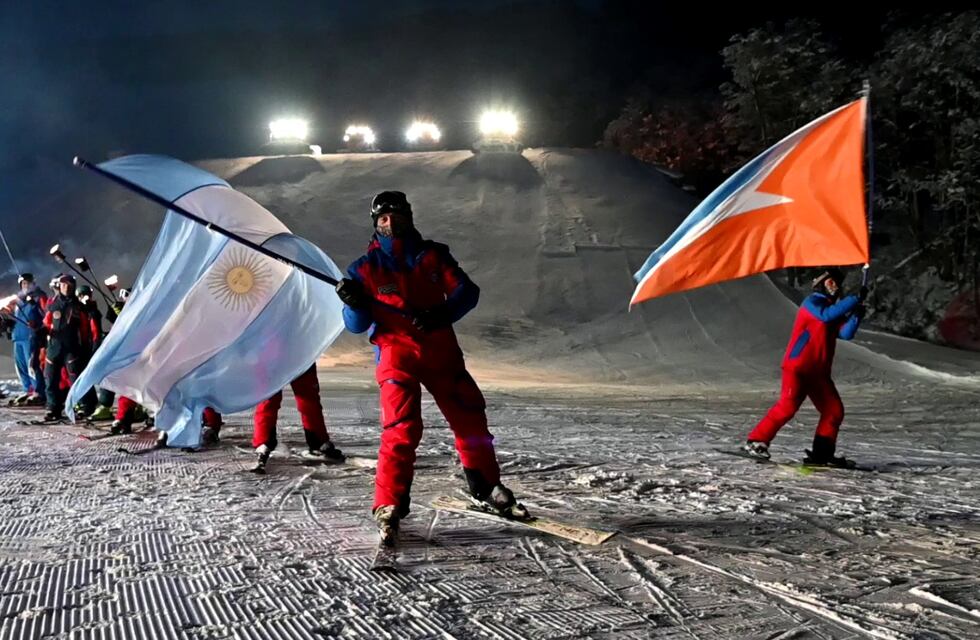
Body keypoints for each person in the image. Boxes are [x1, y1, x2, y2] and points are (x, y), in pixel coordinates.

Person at [337, 190, 525, 547]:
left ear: (408, 216)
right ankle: (389, 502)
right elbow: (356, 325)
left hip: (440, 348)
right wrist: (354, 304)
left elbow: (466, 292)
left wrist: (440, 314)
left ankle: (484, 485)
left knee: (469, 416)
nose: (390, 223)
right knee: (401, 427)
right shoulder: (364, 269)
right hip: (396, 353)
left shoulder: (432, 255)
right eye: (383, 219)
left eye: (396, 216)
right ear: (376, 224)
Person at [743, 268, 867, 466]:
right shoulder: (812, 303)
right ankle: (756, 440)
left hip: (819, 372)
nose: (835, 288)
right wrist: (853, 299)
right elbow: (825, 316)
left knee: (833, 411)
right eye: (831, 283)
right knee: (788, 405)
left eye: (836, 284)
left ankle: (822, 453)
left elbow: (845, 333)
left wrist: (857, 314)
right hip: (798, 367)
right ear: (821, 283)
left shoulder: (831, 309)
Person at [250, 364, 345, 472]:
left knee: (272, 398)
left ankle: (264, 442)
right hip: (293, 354)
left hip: (282, 355)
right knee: (304, 397)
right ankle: (318, 443)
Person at [42, 275, 98, 420]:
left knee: (76, 379)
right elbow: (47, 323)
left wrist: (86, 347)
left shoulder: (79, 306)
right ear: (59, 286)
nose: (65, 287)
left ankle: (85, 406)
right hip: (54, 348)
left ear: (73, 287)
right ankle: (53, 408)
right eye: (63, 285)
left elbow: (85, 328)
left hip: (72, 348)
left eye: (69, 285)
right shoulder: (53, 304)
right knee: (50, 379)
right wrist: (41, 330)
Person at [10, 273, 48, 406]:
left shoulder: (39, 297)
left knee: (31, 364)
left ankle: (38, 391)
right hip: (18, 336)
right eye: (23, 284)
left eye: (28, 283)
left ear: (33, 283)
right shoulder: (19, 299)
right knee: (20, 365)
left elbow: (46, 315)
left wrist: (38, 325)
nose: (26, 286)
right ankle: (28, 389)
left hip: (31, 336)